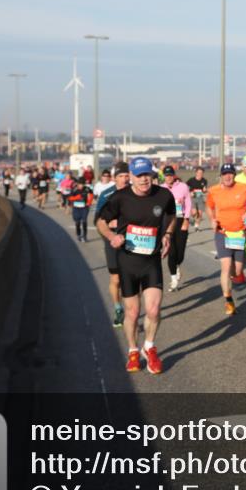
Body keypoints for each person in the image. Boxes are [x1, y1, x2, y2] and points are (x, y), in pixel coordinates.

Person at [96, 157, 176, 374]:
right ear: (130, 176)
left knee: (153, 309)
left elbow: (172, 214)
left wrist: (167, 234)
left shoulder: (164, 195)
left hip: (151, 261)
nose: (144, 180)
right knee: (132, 312)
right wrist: (112, 236)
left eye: (147, 175)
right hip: (127, 262)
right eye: (139, 175)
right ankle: (132, 350)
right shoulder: (120, 198)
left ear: (152, 175)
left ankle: (149, 346)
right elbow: (101, 221)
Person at [206, 163, 246, 315]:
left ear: (234, 175)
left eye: (230, 173)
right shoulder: (213, 191)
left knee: (237, 271)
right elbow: (209, 207)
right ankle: (228, 300)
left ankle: (231, 276)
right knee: (226, 266)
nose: (228, 176)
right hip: (223, 233)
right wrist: (212, 219)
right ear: (220, 176)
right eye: (225, 174)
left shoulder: (244, 188)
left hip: (240, 234)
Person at [95, 162, 131, 327]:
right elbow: (97, 221)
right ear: (115, 178)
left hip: (132, 240)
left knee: (131, 278)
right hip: (112, 240)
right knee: (116, 279)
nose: (124, 179)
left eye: (126, 176)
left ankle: (131, 311)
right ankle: (118, 308)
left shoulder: (135, 192)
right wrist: (109, 229)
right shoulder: (106, 194)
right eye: (121, 176)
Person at [160, 166, 192, 291]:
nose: (168, 177)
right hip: (166, 222)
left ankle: (177, 265)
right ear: (164, 176)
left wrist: (186, 220)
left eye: (170, 175)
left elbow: (188, 203)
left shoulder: (183, 186)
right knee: (171, 252)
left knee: (180, 254)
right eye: (166, 175)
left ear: (174, 175)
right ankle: (173, 279)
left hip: (180, 220)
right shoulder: (161, 189)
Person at [68, 177, 94, 242]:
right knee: (77, 222)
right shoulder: (74, 189)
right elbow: (70, 198)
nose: (81, 186)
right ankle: (79, 234)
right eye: (79, 184)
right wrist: (77, 197)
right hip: (76, 208)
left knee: (84, 221)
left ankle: (84, 236)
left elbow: (91, 195)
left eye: (82, 184)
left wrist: (89, 202)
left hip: (84, 208)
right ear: (77, 184)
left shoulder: (87, 189)